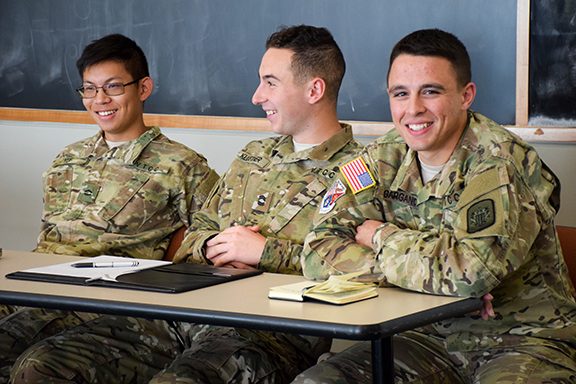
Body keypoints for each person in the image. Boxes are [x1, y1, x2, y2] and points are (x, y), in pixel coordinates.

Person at [10, 25, 363, 384]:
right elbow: (192, 239)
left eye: (270, 83)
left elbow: (360, 270)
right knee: (42, 366)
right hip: (188, 310)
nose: (257, 96)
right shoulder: (253, 157)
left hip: (268, 328)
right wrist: (213, 246)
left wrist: (265, 252)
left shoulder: (362, 171)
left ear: (314, 89)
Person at [294, 29, 576, 383]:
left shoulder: (500, 162)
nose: (413, 109)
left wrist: (380, 236)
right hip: (422, 336)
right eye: (401, 94)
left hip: (520, 339)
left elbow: (469, 274)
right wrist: (422, 279)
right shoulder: (382, 157)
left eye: (430, 91)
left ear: (465, 95)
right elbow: (316, 249)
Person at [2, 33, 218, 383]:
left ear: (143, 88)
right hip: (35, 284)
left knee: (29, 360)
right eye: (89, 89)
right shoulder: (67, 158)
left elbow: (208, 246)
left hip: (104, 299)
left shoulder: (182, 165)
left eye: (113, 87)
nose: (99, 100)